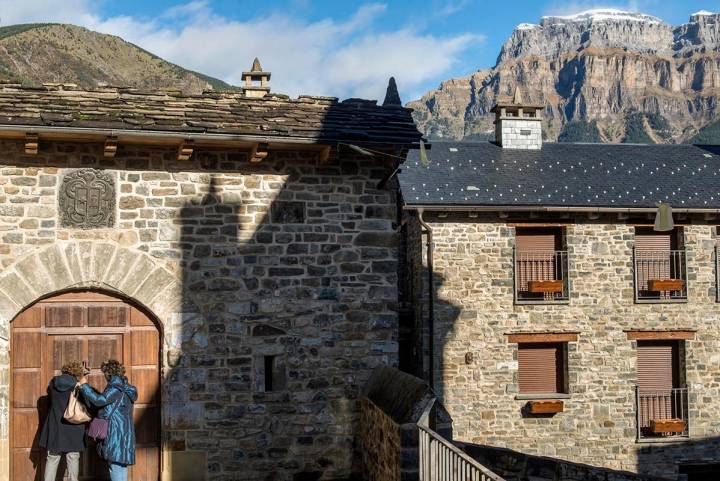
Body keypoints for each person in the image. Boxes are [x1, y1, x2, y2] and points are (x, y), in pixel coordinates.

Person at [79, 360, 137, 481]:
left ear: (109, 373)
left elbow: (100, 400)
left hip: (115, 432)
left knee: (116, 466)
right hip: (123, 432)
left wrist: (84, 385)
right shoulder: (125, 388)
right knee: (120, 466)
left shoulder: (116, 388)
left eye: (105, 373)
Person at [39, 360, 86, 481]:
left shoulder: (53, 383)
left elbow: (49, 402)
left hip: (55, 425)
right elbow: (86, 404)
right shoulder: (78, 385)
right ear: (77, 372)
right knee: (73, 457)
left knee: (52, 458)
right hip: (74, 425)